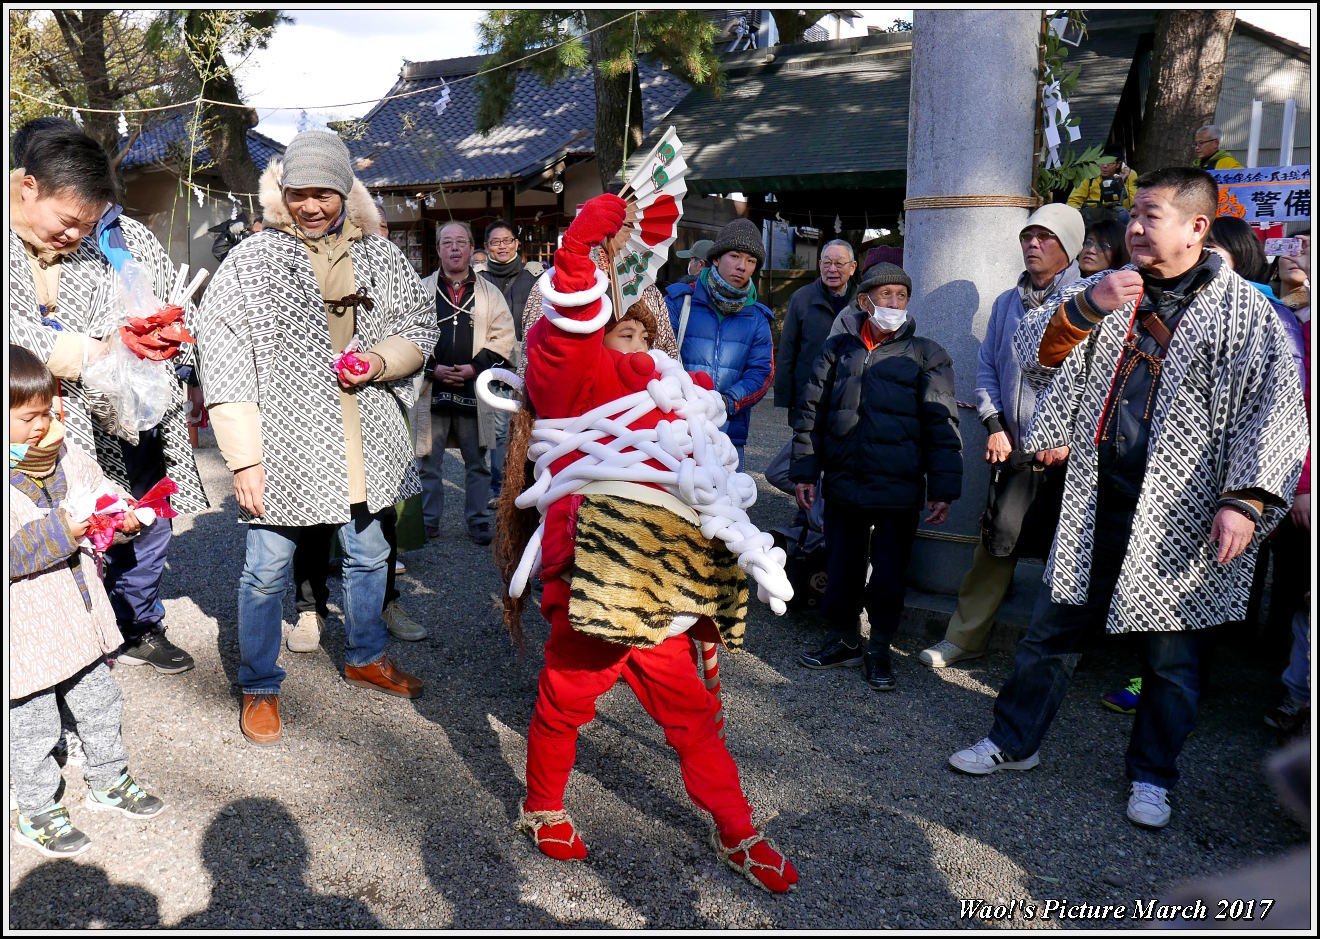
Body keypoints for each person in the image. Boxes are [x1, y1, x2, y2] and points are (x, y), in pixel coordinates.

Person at [948, 167, 1308, 831]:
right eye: (1134, 214)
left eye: (1152, 215)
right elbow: (1031, 354)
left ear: (1198, 226)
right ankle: (1012, 741)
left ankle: (1152, 774)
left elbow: (1277, 412)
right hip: (1095, 495)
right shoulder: (1106, 288)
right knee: (1052, 631)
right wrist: (1087, 306)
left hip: (1186, 513)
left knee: (1172, 656)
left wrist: (1247, 499)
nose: (1136, 227)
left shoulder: (1248, 312)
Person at [495, 193, 799, 894]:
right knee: (565, 699)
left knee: (692, 718)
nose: (628, 350)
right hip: (596, 585)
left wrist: (708, 601)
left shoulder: (671, 393)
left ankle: (738, 830)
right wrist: (575, 263)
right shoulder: (576, 381)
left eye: (640, 337)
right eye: (616, 336)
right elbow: (564, 343)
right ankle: (541, 807)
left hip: (660, 591)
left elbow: (706, 495)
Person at [194, 130, 439, 746]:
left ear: (344, 193)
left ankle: (364, 653)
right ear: (282, 194)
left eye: (324, 194)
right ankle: (258, 684)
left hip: (366, 439)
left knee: (370, 557)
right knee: (264, 572)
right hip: (286, 445)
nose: (311, 207)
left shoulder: (380, 256)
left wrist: (379, 361)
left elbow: (418, 323)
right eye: (298, 194)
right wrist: (244, 461)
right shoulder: (252, 260)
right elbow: (223, 357)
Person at [8, 122, 208, 676]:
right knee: (39, 531)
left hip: (127, 410)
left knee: (143, 516)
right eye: (68, 222)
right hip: (28, 420)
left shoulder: (121, 238)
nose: (76, 236)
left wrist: (163, 332)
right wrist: (96, 351)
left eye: (89, 224)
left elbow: (171, 299)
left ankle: (138, 621)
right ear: (28, 186)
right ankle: (54, 650)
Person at [9, 346, 164, 858]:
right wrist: (63, 530)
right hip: (25, 635)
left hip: (80, 618)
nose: (43, 427)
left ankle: (109, 777)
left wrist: (119, 519)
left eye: (49, 413)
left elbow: (101, 494)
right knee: (32, 726)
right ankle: (35, 808)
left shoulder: (69, 454)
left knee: (100, 702)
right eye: (28, 418)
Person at [920, 204, 1083, 669]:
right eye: (1028, 235)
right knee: (996, 542)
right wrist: (993, 424)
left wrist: (1069, 435)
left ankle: (1056, 653)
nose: (1033, 244)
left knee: (1069, 553)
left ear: (1068, 247)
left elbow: (1097, 381)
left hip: (1071, 454)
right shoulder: (1008, 302)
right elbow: (988, 367)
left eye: (1045, 237)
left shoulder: (1087, 300)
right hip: (1015, 446)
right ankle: (966, 638)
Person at [793, 260, 963, 690]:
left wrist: (943, 487)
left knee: (889, 573)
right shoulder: (838, 350)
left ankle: (880, 648)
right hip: (846, 482)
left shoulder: (927, 352)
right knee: (843, 565)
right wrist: (805, 472)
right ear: (864, 301)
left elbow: (942, 423)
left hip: (898, 487)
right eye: (885, 295)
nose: (893, 303)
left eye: (901, 296)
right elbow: (810, 414)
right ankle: (843, 640)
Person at [411, 221, 515, 545]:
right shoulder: (421, 289)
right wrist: (433, 368)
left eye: (460, 242)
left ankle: (478, 520)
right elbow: (407, 336)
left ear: (472, 249)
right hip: (433, 388)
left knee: (478, 462)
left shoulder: (489, 293)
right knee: (428, 461)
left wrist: (474, 368)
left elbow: (504, 338)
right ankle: (428, 521)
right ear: (439, 249)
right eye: (447, 242)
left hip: (475, 388)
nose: (454, 248)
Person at [664, 218, 775, 470]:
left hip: (729, 431)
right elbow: (659, 358)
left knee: (726, 505)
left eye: (750, 261)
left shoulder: (757, 317)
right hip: (678, 426)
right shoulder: (680, 302)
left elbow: (762, 372)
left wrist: (727, 401)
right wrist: (683, 398)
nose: (742, 266)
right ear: (715, 259)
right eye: (734, 256)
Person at [478, 220, 540, 502]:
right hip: (494, 365)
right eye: (495, 241)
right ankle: (500, 491)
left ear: (516, 244)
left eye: (507, 240)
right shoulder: (478, 279)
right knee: (499, 434)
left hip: (529, 365)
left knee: (531, 430)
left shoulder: (534, 277)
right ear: (486, 247)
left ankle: (529, 488)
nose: (501, 246)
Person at [1066, 155, 1137, 224]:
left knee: (1123, 214)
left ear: (1118, 164)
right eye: (1101, 162)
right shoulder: (1090, 176)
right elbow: (1073, 201)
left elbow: (1134, 204)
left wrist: (1121, 182)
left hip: (1117, 215)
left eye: (1109, 163)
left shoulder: (1129, 175)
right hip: (1094, 215)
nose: (1105, 166)